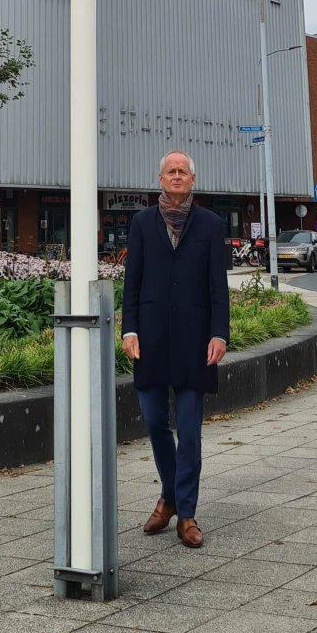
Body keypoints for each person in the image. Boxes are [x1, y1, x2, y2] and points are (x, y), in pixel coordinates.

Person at [121, 150, 230, 548]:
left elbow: (219, 286)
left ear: (193, 180)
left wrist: (220, 334)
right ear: (160, 179)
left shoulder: (211, 225)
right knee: (153, 421)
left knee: (189, 429)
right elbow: (132, 282)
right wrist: (128, 329)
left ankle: (185, 513)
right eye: (171, 171)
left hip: (195, 342)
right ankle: (169, 495)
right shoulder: (142, 223)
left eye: (183, 171)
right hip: (149, 340)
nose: (178, 176)